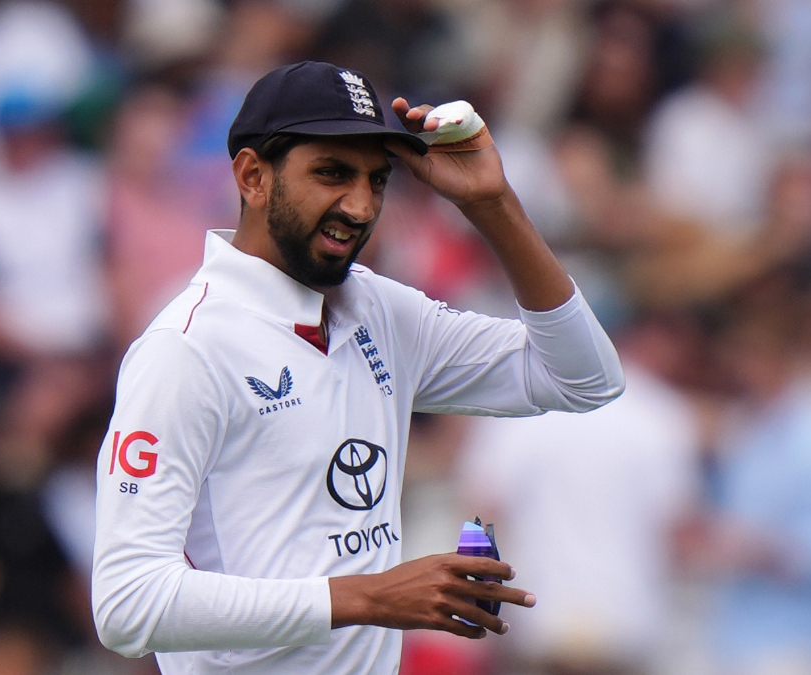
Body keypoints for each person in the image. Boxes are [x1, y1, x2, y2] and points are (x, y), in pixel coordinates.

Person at [91, 60, 625, 673]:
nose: (361, 205)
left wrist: (492, 204)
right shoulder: (186, 350)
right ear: (252, 176)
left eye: (377, 180)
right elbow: (126, 607)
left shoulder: (375, 309)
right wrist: (371, 595)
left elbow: (584, 378)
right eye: (332, 174)